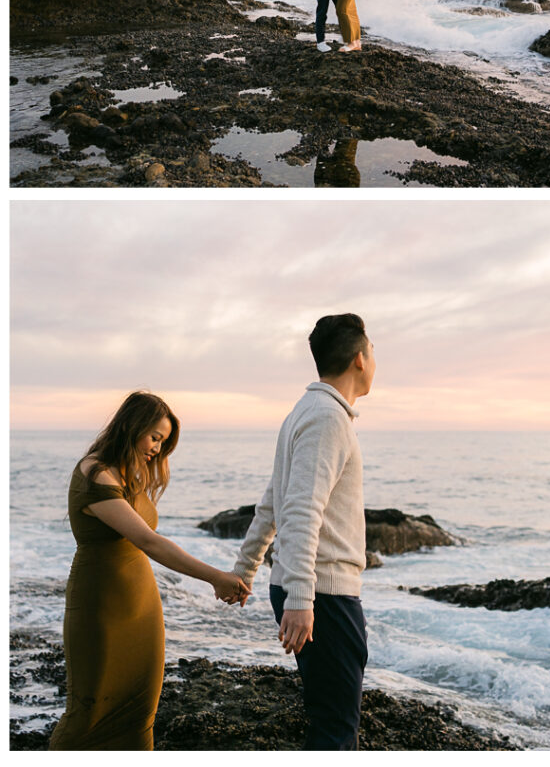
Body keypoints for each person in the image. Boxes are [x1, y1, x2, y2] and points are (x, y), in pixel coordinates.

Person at [49, 391, 249, 751]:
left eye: (164, 441)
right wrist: (215, 577)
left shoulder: (129, 476)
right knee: (88, 712)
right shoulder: (95, 473)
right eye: (155, 437)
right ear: (132, 426)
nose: (158, 448)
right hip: (101, 609)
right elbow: (149, 541)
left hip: (142, 609)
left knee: (140, 712)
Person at [233, 313, 376, 750]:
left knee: (328, 722)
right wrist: (300, 599)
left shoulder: (306, 412)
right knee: (336, 730)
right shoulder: (327, 418)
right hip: (324, 594)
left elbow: (273, 500)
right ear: (359, 358)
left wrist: (246, 566)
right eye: (374, 353)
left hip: (311, 590)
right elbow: (298, 508)